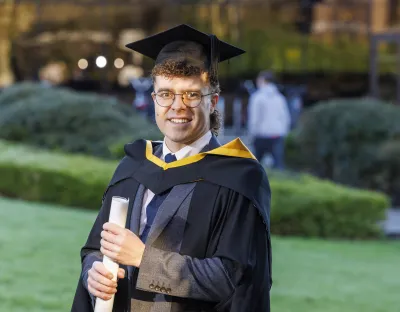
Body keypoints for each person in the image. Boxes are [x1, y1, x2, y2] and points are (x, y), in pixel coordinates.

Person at [71, 24, 272, 312]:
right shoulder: (134, 165)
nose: (177, 106)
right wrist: (93, 273)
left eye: (191, 95)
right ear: (154, 99)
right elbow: (95, 249)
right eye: (166, 94)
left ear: (212, 101)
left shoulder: (239, 177)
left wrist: (143, 257)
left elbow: (232, 278)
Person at [247, 71, 291, 170]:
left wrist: (251, 133)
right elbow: (285, 117)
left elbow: (255, 118)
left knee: (255, 166)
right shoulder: (280, 98)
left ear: (263, 80)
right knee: (279, 165)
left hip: (261, 135)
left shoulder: (257, 97)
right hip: (277, 134)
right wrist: (284, 131)